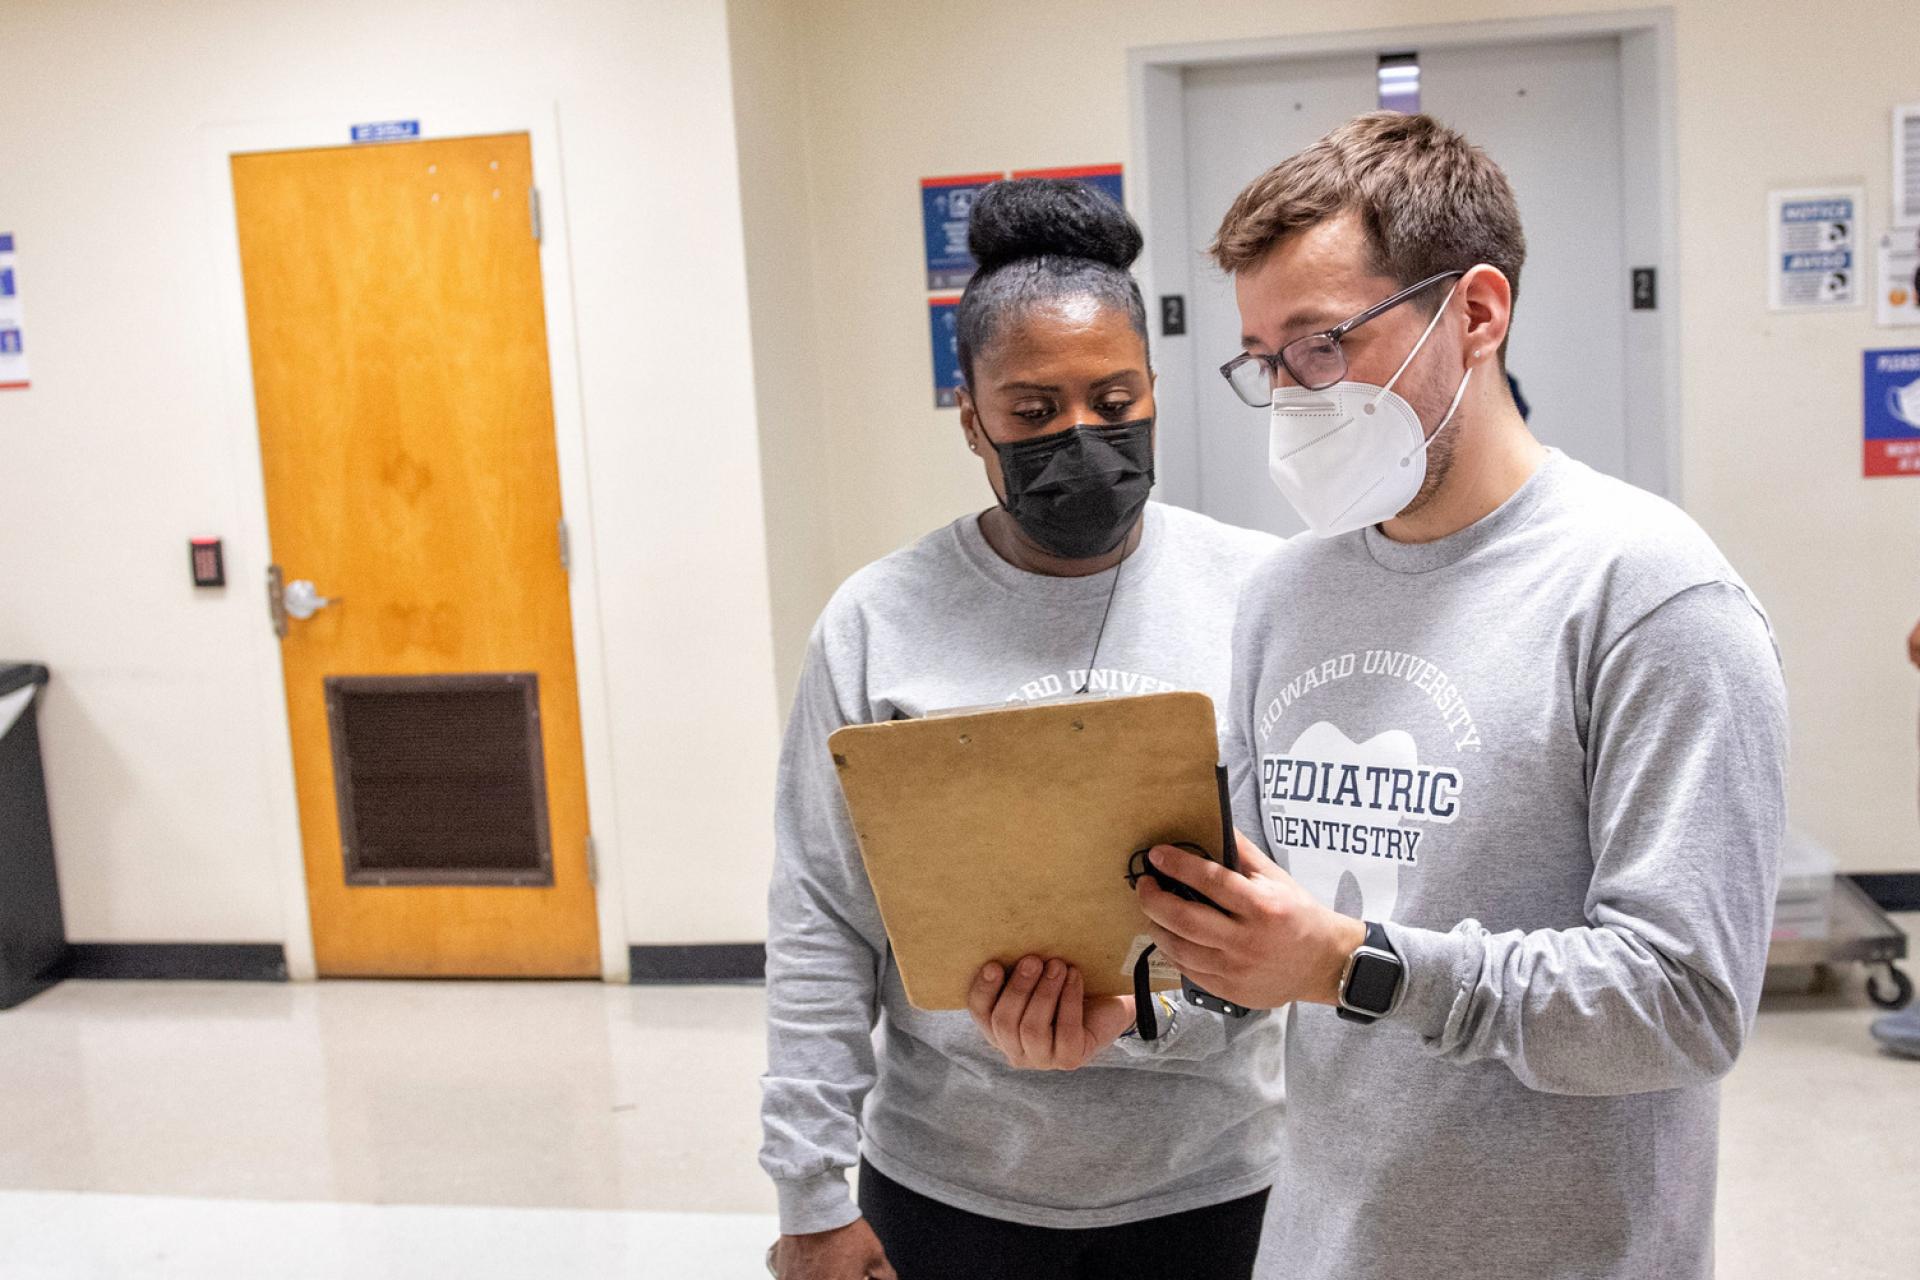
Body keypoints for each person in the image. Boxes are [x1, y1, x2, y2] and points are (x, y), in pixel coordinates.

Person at [1132, 113, 1789, 1278]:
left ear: (1476, 312)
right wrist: (1147, 998)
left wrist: (1354, 965)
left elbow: (1685, 1001)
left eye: (1322, 343)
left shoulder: (1650, 595)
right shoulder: (1285, 593)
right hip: (1325, 1241)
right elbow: (1279, 929)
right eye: (1263, 360)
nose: (1292, 391)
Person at [759, 178, 1286, 1280]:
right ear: (972, 418)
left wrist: (1155, 1015)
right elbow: (820, 915)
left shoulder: (1262, 595)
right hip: (949, 1184)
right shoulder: (876, 620)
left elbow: (1309, 908)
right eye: (1034, 413)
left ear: (1154, 389)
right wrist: (811, 1195)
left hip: (1218, 1178)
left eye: (1113, 397)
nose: (1082, 437)